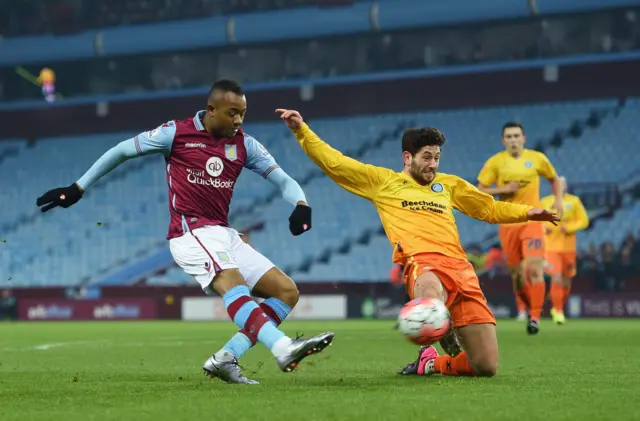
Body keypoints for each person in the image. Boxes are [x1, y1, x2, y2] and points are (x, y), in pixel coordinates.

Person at [36, 80, 334, 385]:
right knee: (234, 283)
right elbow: (122, 151)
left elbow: (284, 181)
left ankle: (226, 358)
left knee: (286, 292)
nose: (238, 121)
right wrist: (78, 187)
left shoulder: (246, 145)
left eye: (243, 113)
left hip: (223, 233)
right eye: (232, 113)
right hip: (190, 233)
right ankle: (284, 347)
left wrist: (301, 204)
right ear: (211, 110)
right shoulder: (175, 133)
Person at [275, 108, 559, 378]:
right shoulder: (383, 183)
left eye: (436, 157)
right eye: (427, 157)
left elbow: (489, 209)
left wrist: (527, 212)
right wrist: (302, 131)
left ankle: (431, 363)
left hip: (463, 270)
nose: (433, 164)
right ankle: (436, 319)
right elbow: (335, 163)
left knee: (485, 366)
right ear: (407, 158)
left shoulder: (449, 185)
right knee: (431, 293)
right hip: (422, 264)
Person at [477, 122, 563, 334]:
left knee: (534, 268)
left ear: (523, 138)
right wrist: (505, 189)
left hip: (532, 222)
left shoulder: (537, 159)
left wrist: (558, 200)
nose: (513, 140)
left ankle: (535, 317)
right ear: (503, 140)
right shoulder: (496, 163)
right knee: (517, 276)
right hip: (508, 223)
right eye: (509, 136)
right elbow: (480, 189)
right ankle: (527, 307)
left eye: (516, 136)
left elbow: (554, 179)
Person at [541, 176, 589, 324]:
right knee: (556, 277)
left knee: (567, 281)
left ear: (566, 187)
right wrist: (544, 228)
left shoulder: (574, 201)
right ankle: (558, 311)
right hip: (550, 248)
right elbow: (535, 221)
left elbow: (584, 220)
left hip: (568, 248)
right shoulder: (545, 202)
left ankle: (558, 305)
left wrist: (568, 227)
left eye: (562, 185)